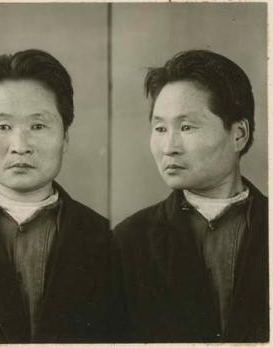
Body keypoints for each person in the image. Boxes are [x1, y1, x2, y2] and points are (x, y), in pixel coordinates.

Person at [0, 49, 125, 343]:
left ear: (66, 137)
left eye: (38, 126)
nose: (19, 145)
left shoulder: (109, 238)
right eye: (3, 127)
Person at [114, 50, 268, 342]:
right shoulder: (127, 241)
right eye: (160, 128)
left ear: (239, 134)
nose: (169, 146)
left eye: (186, 127)